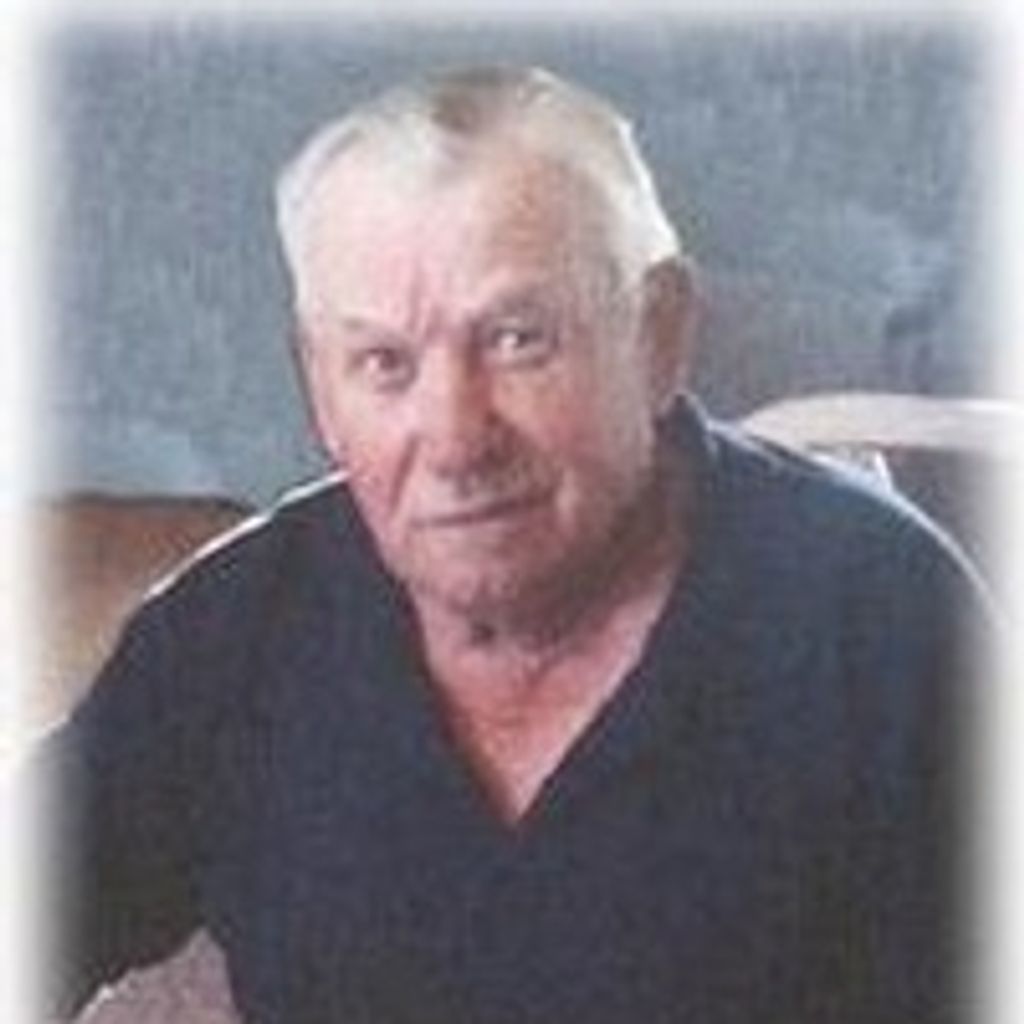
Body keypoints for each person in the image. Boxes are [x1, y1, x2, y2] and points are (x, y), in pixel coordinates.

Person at [47, 65, 988, 1023]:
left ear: (658, 336)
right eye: (385, 363)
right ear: (320, 393)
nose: (457, 439)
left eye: (517, 341)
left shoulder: (884, 625)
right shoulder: (233, 633)